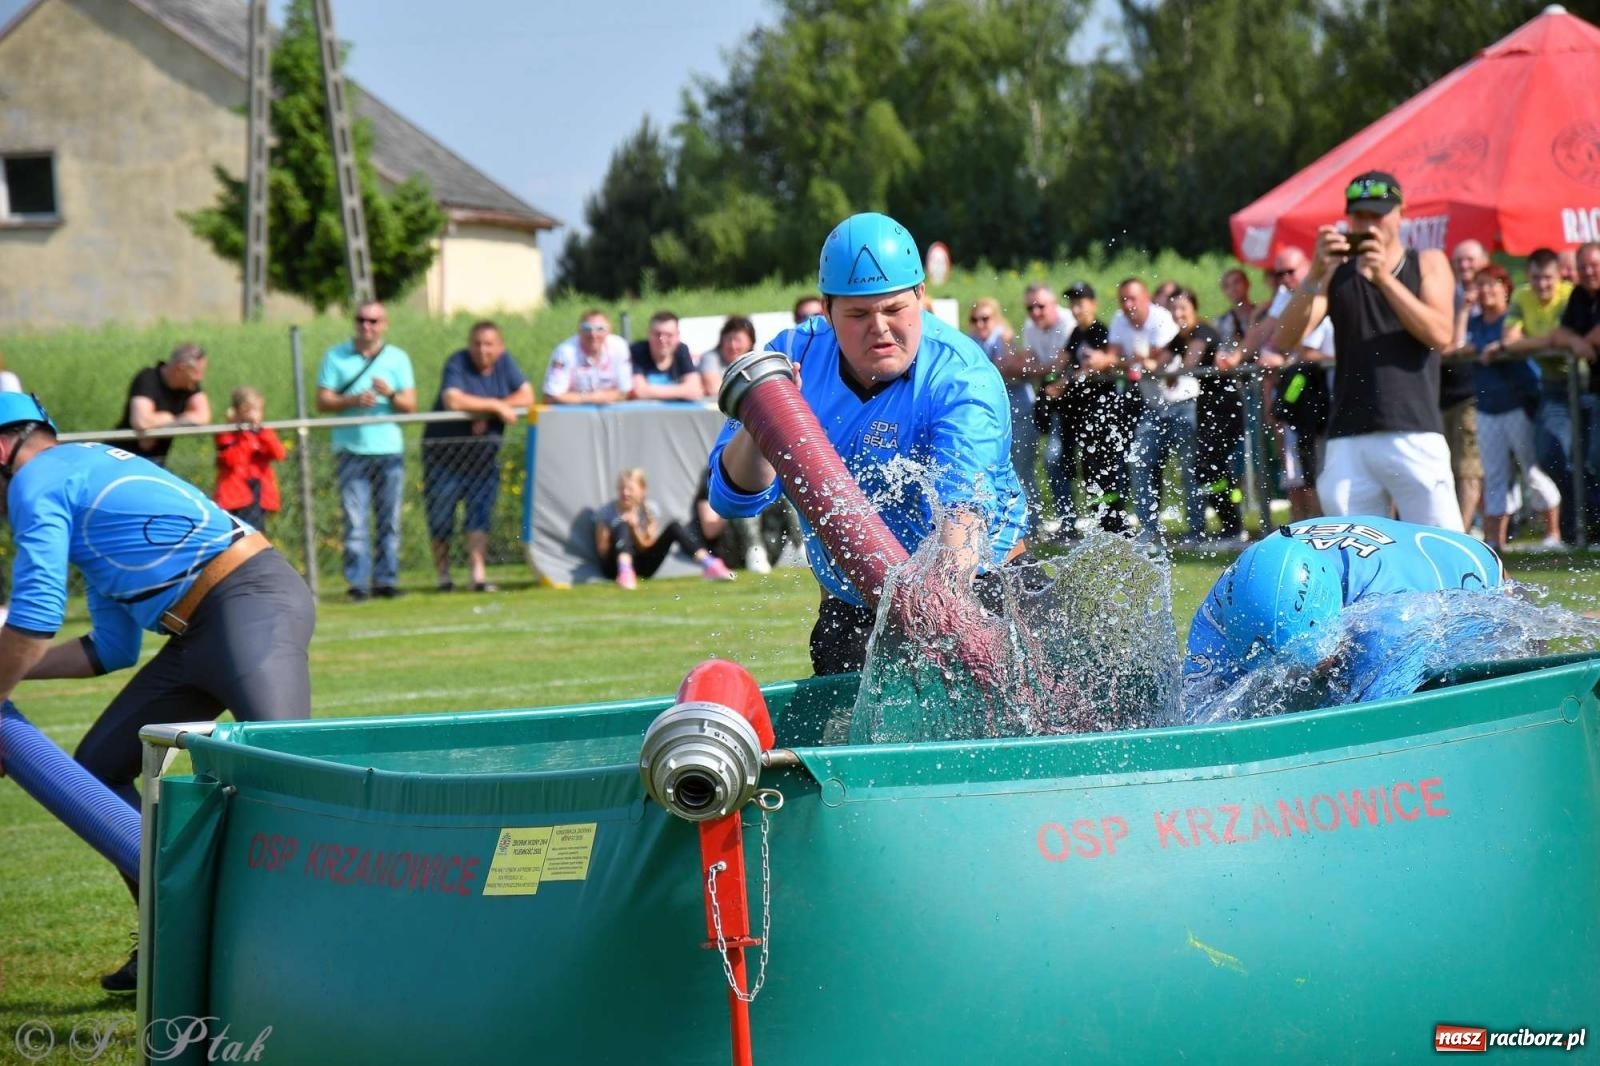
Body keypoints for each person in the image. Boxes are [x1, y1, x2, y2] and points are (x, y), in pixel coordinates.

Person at [0, 393, 314, 991]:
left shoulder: (35, 483)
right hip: (206, 626)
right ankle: (169, 937)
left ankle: (305, 961)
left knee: (287, 779)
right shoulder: (76, 475)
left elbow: (36, 617)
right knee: (96, 772)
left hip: (247, 603)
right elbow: (109, 649)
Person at [709, 212, 1028, 676]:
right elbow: (732, 497)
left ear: (921, 296)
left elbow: (962, 525)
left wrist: (939, 625)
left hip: (984, 591)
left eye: (894, 309)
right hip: (854, 612)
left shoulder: (961, 377)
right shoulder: (793, 357)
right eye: (858, 314)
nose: (878, 328)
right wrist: (769, 417)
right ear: (827, 309)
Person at [1273, 171, 1460, 530]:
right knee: (1353, 558)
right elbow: (1284, 339)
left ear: (1400, 211)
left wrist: (1384, 280)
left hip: (1414, 428)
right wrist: (1313, 274)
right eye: (1360, 216)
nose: (1368, 223)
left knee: (1446, 549)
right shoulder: (1334, 272)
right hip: (1348, 435)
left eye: (1378, 214)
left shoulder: (1428, 261)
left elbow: (1441, 334)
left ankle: (1500, 590)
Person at [1185, 516, 1503, 695]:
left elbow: (1371, 732)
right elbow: (1199, 712)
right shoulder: (1217, 615)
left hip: (1466, 567)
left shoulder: (1391, 619)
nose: (1292, 676)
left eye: (1304, 665)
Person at [315, 300, 417, 601]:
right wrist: (352, 401)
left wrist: (390, 394)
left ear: (384, 324)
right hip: (351, 450)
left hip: (389, 450)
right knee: (355, 522)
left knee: (390, 521)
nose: (366, 326)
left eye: (373, 321)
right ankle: (357, 584)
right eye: (361, 320)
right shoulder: (335, 357)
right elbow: (322, 402)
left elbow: (410, 406)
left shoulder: (398, 359)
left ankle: (386, 581)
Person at [422, 320, 533, 593]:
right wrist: (493, 406)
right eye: (477, 344)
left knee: (479, 517)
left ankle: (477, 576)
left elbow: (527, 396)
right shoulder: (457, 363)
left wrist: (491, 410)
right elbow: (453, 400)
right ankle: (444, 576)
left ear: (500, 347)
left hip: (483, 460)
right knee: (441, 519)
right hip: (443, 457)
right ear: (469, 344)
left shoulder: (506, 365)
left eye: (489, 344)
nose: (483, 350)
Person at [1462, 266, 1562, 551]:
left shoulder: (1513, 318)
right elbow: (1457, 344)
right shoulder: (1476, 322)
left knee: (1531, 470)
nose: (1486, 291)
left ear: (1505, 287)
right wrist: (1463, 311)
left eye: (1492, 284)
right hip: (1487, 407)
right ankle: (1496, 540)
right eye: (1481, 285)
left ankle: (1553, 534)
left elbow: (1516, 342)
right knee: (1494, 473)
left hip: (1518, 404)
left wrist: (1501, 346)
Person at [1503, 248, 1581, 542]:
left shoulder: (1571, 294)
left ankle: (1583, 527)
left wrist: (1537, 342)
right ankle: (1573, 528)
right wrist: (1550, 341)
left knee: (1588, 458)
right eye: (1536, 278)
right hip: (1553, 388)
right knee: (1550, 455)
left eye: (1547, 278)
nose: (1542, 285)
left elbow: (1567, 337)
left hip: (1584, 384)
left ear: (1559, 275)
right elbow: (1509, 342)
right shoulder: (1523, 296)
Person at [1109, 278, 1196, 540]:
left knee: (1188, 467)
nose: (1127, 304)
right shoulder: (1118, 320)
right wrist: (1131, 360)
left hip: (1182, 402)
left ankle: (1196, 530)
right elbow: (1115, 358)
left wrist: (1123, 361)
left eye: (1132, 298)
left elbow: (1155, 360)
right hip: (1153, 405)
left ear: (1146, 297)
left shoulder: (1161, 318)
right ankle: (1149, 530)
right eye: (1123, 299)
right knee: (1140, 461)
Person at [1173, 288, 1247, 543]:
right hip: (1207, 404)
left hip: (1225, 404)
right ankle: (1229, 522)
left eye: (1183, 308)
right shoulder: (1180, 336)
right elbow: (1156, 359)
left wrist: (1168, 371)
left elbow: (1190, 364)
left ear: (1194, 309)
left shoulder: (1202, 332)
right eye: (1174, 309)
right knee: (1207, 468)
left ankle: (1234, 523)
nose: (1178, 314)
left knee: (1217, 466)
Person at [1057, 281, 1130, 534]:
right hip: (1082, 414)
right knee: (1089, 471)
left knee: (1106, 468)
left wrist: (1071, 377)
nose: (1076, 309)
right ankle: (1101, 522)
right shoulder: (1076, 334)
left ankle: (1115, 523)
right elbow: (1063, 363)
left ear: (1093, 303)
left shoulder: (1101, 332)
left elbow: (1101, 363)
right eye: (1073, 304)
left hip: (1103, 411)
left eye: (1081, 303)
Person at [595, 468, 733, 588]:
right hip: (614, 566)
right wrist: (621, 527)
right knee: (622, 525)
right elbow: (603, 551)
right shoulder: (607, 512)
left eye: (630, 489)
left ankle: (710, 564)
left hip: (642, 565)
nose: (625, 493)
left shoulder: (649, 510)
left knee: (674, 527)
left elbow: (647, 545)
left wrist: (635, 529)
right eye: (622, 488)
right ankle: (625, 572)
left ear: (642, 490)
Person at [1442, 239, 1490, 531]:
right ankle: (1465, 526)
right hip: (1445, 393)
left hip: (1477, 393)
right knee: (1453, 467)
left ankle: (1464, 529)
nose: (1464, 266)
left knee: (1469, 467)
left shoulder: (1493, 295)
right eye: (1459, 260)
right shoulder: (1447, 294)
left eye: (1470, 259)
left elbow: (1458, 345)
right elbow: (1449, 344)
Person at [117, 342, 210, 467]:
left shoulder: (189, 385)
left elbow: (203, 417)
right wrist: (176, 420)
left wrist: (169, 421)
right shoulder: (147, 379)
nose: (200, 378)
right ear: (180, 368)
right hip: (122, 459)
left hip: (155, 463)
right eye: (197, 372)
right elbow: (141, 422)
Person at [213, 386, 286, 531]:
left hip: (259, 492)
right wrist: (245, 435)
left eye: (258, 410)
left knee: (257, 536)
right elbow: (231, 460)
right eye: (249, 410)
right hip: (235, 495)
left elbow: (278, 453)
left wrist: (262, 432)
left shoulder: (262, 433)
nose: (254, 415)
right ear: (237, 411)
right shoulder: (227, 434)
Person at [542, 310, 631, 405]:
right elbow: (552, 396)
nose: (593, 334)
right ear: (579, 331)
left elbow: (624, 392)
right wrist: (590, 398)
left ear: (609, 331)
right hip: (570, 412)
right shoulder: (564, 352)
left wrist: (579, 397)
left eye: (600, 328)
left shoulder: (619, 347)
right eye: (587, 328)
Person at [629, 310, 705, 402]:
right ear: (648, 334)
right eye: (657, 334)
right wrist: (683, 391)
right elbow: (639, 391)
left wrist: (649, 391)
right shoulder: (637, 351)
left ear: (678, 336)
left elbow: (695, 390)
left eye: (669, 335)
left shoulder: (681, 350)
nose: (662, 339)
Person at [698, 315, 756, 402]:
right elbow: (714, 389)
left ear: (750, 343)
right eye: (729, 339)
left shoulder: (756, 362)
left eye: (738, 340)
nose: (733, 346)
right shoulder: (710, 358)